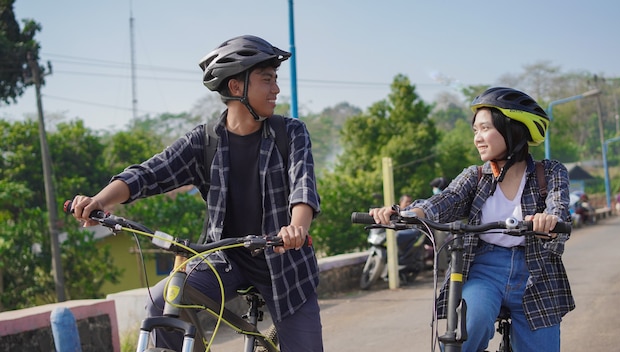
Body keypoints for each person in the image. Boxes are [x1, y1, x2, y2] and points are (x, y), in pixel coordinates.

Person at [69, 35, 323, 352]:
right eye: (266, 80)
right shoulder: (204, 142)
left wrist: (296, 228)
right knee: (164, 301)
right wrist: (99, 201)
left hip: (285, 267)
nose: (276, 90)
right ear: (236, 87)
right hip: (224, 260)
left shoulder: (291, 133)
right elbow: (149, 173)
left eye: (275, 80)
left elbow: (303, 187)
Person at [370, 87, 573, 351]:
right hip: (484, 271)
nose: (478, 138)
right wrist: (407, 214)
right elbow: (444, 201)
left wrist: (549, 222)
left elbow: (558, 208)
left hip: (536, 273)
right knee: (466, 330)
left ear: (513, 130)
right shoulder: (474, 176)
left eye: (485, 128)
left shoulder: (550, 172)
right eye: (475, 131)